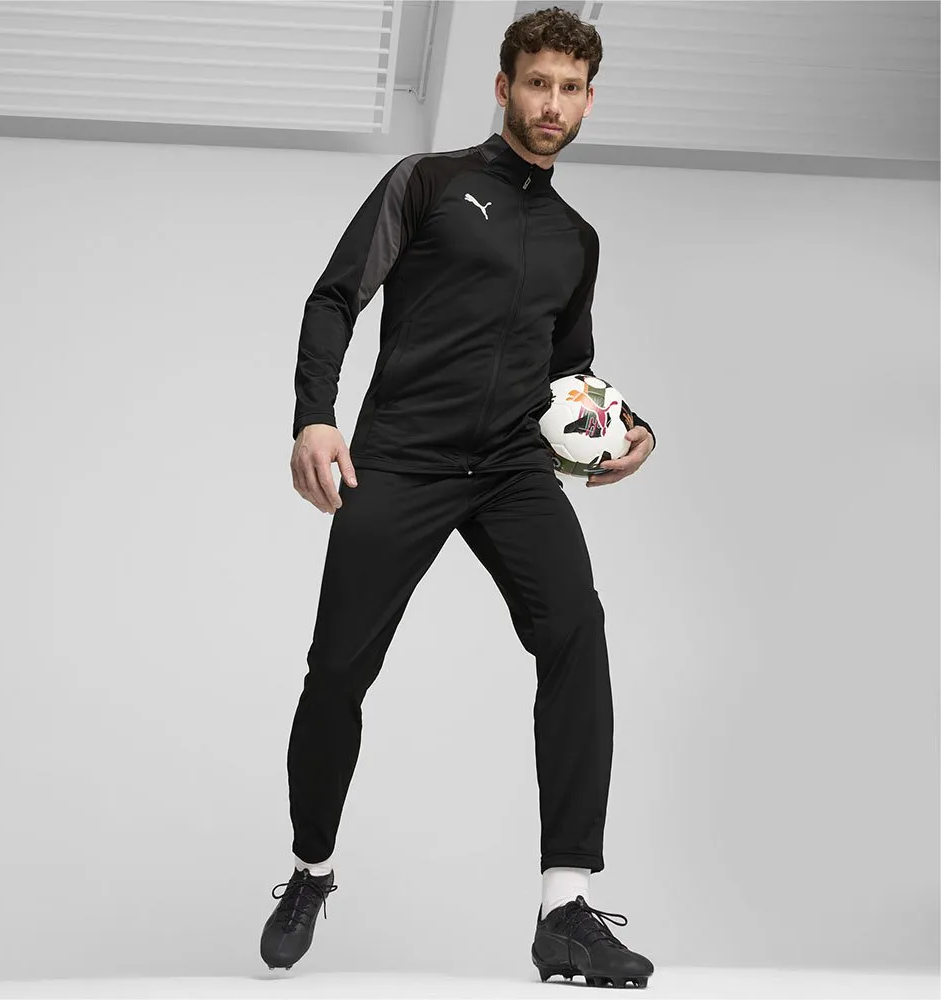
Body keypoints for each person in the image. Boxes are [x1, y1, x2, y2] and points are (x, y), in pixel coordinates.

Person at [260, 7, 656, 989]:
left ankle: (564, 907)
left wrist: (631, 430)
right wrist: (316, 417)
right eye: (537, 83)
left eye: (570, 88)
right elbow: (335, 296)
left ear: (588, 101)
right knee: (337, 671)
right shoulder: (429, 183)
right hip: (402, 456)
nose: (551, 103)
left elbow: (569, 374)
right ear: (503, 86)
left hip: (514, 467)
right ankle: (311, 868)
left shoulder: (575, 238)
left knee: (577, 630)